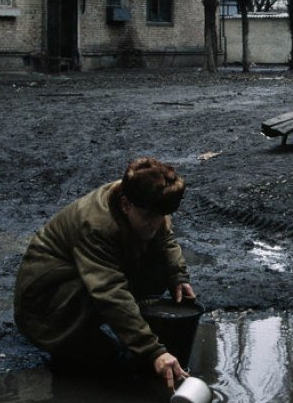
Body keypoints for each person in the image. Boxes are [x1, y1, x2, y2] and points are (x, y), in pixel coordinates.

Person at [14, 157, 197, 391]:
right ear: (125, 205)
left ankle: (122, 327)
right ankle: (71, 343)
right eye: (148, 218)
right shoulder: (96, 224)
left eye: (160, 216)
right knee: (107, 365)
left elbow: (165, 236)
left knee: (159, 265)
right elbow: (110, 292)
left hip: (85, 278)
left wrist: (178, 276)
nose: (156, 224)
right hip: (46, 302)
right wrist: (153, 351)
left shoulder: (149, 200)